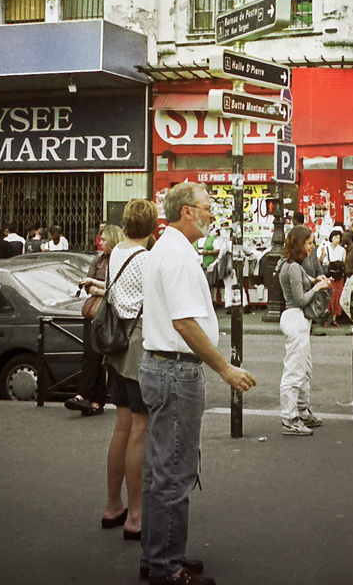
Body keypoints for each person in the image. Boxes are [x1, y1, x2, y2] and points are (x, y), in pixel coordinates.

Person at [140, 182, 255, 585]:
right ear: (187, 211)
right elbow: (185, 323)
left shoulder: (163, 249)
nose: (212, 213)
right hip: (175, 371)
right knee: (174, 470)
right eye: (207, 207)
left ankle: (158, 556)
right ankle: (166, 568)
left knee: (160, 469)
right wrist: (225, 369)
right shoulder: (179, 256)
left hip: (160, 367)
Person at [100, 202, 153, 542]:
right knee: (140, 428)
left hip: (116, 343)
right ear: (151, 228)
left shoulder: (118, 250)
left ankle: (112, 506)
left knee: (121, 426)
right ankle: (136, 515)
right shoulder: (147, 259)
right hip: (137, 345)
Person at [277, 224, 332, 435]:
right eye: (309, 243)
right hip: (296, 318)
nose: (312, 247)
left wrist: (317, 281)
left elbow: (307, 281)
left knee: (304, 368)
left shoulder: (294, 265)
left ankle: (301, 410)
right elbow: (300, 300)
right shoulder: (291, 267)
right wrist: (317, 288)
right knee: (295, 371)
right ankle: (289, 419)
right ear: (300, 244)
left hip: (299, 320)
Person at [65, 223, 124, 418]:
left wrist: (98, 288)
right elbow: (89, 285)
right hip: (93, 314)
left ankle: (94, 398)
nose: (100, 243)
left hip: (110, 315)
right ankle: (91, 398)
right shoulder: (98, 260)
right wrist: (98, 289)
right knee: (91, 355)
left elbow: (115, 288)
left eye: (105, 239)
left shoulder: (119, 260)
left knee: (103, 358)